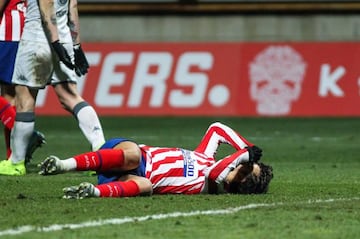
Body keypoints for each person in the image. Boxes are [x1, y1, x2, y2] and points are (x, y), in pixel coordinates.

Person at [0, 0, 105, 176]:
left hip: (38, 38)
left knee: (25, 100)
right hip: (64, 38)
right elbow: (72, 7)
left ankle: (16, 163)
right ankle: (101, 154)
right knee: (71, 97)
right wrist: (76, 45)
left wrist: (54, 42)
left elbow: (46, 3)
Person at [38, 122, 274, 199]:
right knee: (133, 155)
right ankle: (64, 165)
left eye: (243, 171)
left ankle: (94, 192)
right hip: (125, 155)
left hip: (128, 179)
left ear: (240, 183)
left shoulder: (213, 183)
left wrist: (243, 155)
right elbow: (216, 129)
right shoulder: (206, 157)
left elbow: (215, 172)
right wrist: (246, 145)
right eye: (243, 165)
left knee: (146, 186)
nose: (238, 166)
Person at [0, 0, 45, 163]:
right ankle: (13, 155)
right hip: (24, 31)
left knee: (11, 96)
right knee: (10, 96)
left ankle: (26, 136)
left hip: (7, 32)